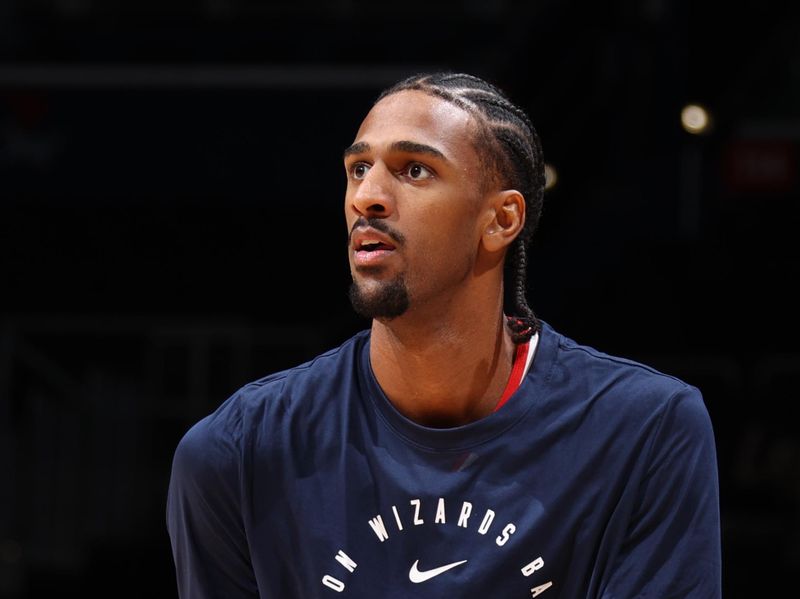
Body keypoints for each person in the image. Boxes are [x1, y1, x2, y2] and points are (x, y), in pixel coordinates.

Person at [166, 72, 721, 598]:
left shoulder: (645, 432)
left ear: (501, 220)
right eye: (359, 169)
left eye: (414, 171)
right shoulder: (237, 454)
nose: (367, 197)